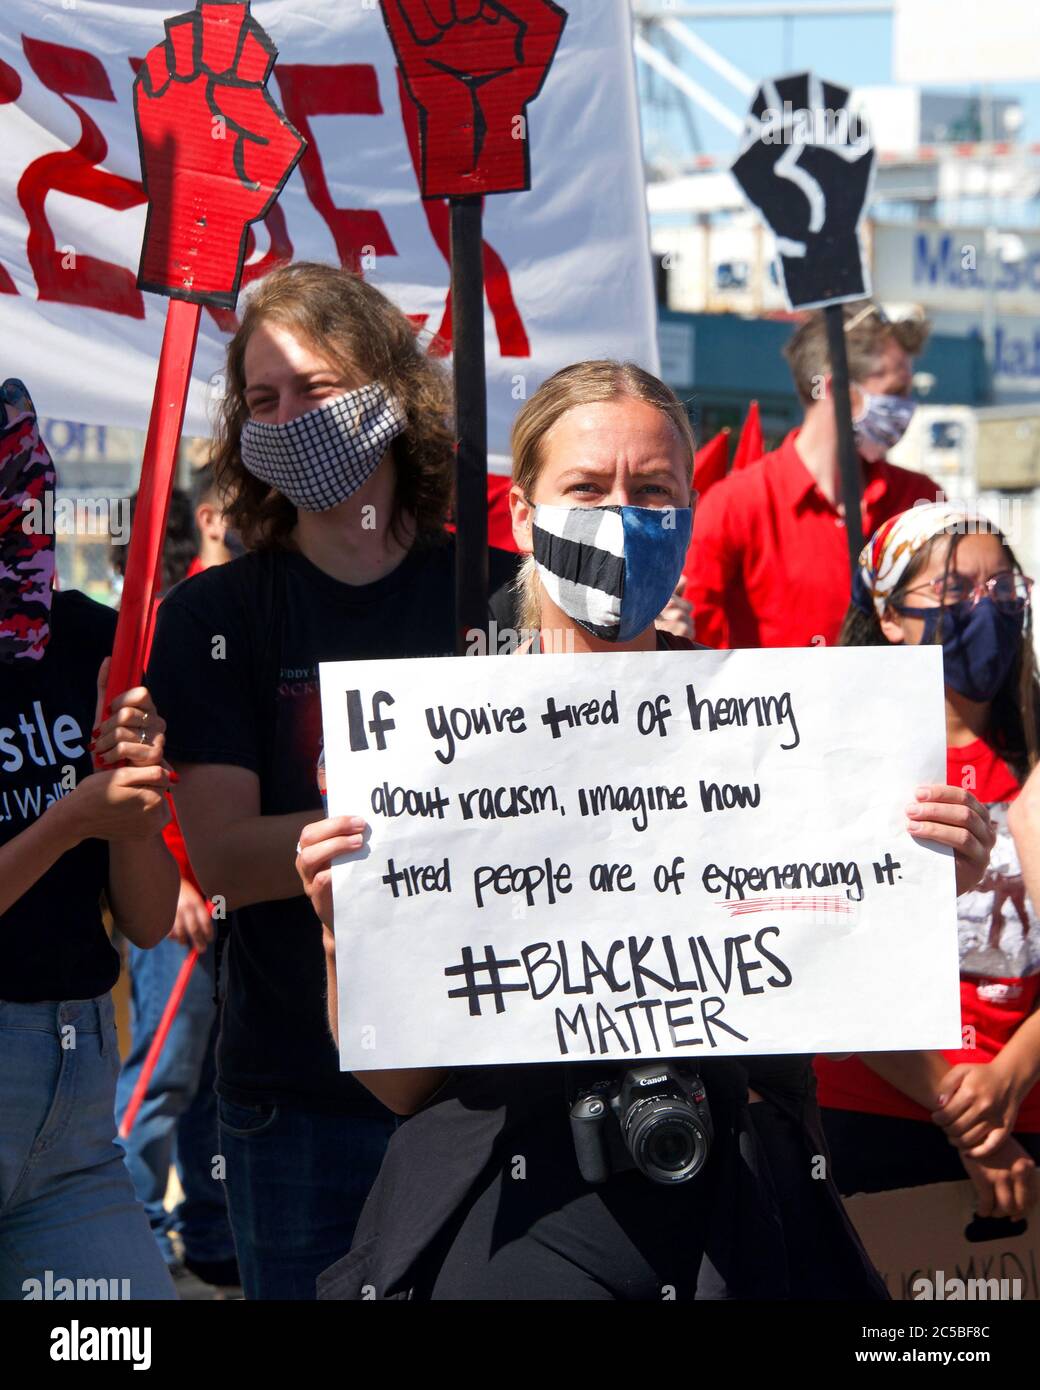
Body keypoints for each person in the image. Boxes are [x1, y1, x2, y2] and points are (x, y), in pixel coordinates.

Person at [297, 361, 994, 1301]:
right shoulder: (429, 753)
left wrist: (916, 891)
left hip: (738, 1198)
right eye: (586, 489)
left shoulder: (773, 736)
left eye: (653, 490)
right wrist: (348, 929)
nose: (622, 514)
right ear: (521, 517)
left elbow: (839, 982)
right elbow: (400, 1086)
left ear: (691, 511)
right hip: (517, 1210)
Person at [146, 261, 519, 1300]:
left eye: (312, 388)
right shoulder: (216, 616)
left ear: (390, 394)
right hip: (299, 1099)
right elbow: (224, 857)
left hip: (488, 1089)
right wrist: (442, 822)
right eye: (260, 401)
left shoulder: (499, 594)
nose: (283, 418)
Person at [0, 378, 179, 1300]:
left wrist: (137, 810)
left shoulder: (92, 645)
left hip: (74, 1118)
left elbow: (146, 921)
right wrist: (72, 817)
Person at [816, 503, 1040, 1221]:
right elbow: (824, 958)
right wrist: (962, 1111)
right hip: (873, 1116)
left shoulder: (1033, 759)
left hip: (1026, 1118)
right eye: (954, 591)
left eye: (1002, 589)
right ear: (888, 615)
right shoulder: (835, 758)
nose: (985, 609)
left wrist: (1009, 1078)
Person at [112, 481, 239, 1289]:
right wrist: (176, 879)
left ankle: (209, 1239)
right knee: (159, 1080)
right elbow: (143, 766)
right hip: (179, 906)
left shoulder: (251, 609)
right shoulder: (179, 618)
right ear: (212, 518)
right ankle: (135, 1242)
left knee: (211, 1081)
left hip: (228, 902)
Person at [684, 300, 939, 650]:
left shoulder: (919, 501)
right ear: (836, 391)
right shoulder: (734, 506)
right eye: (895, 392)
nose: (907, 407)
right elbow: (696, 651)